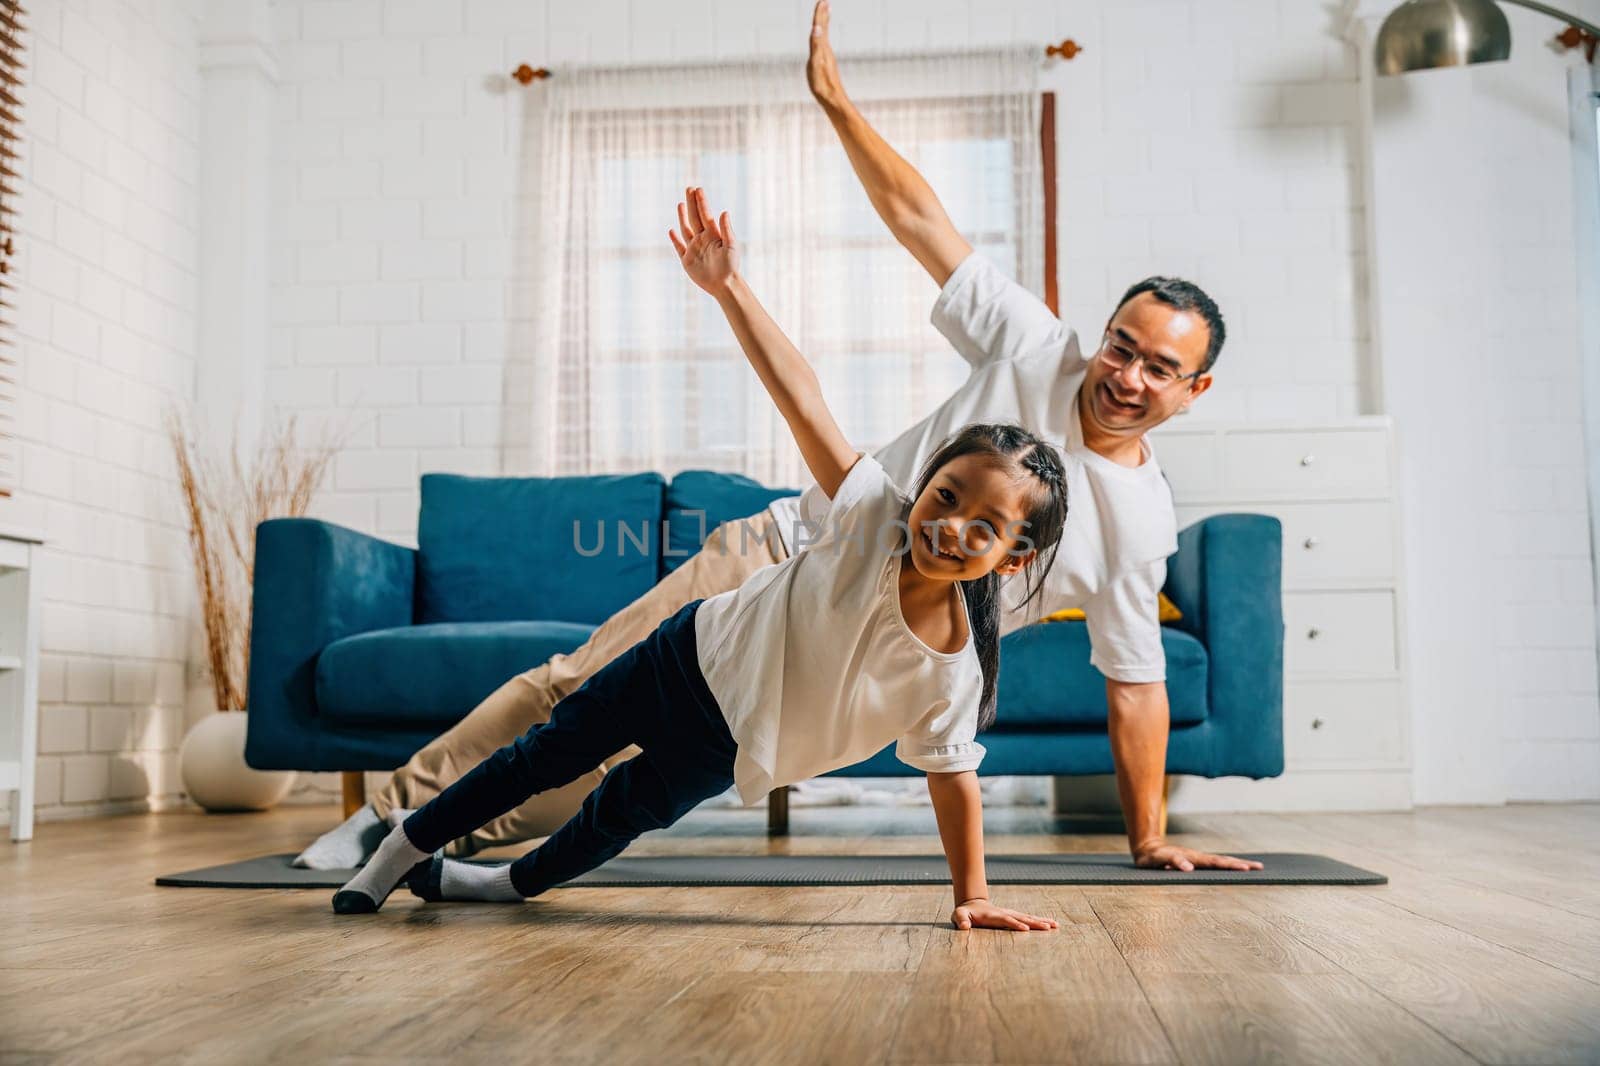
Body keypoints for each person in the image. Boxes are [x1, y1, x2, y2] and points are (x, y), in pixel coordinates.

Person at [295, 0, 1261, 876]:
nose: (1127, 377)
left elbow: (1137, 683)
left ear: (1193, 390)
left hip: (848, 662)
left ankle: (435, 843)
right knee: (577, 683)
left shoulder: (1139, 525)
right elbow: (922, 220)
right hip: (785, 555)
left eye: (1159, 369)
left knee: (624, 764)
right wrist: (838, 105)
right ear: (1102, 339)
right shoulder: (1036, 345)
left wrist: (1148, 837)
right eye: (1121, 347)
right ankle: (389, 817)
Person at [332, 191, 1066, 934]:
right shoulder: (873, 511)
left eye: (985, 528)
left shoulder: (953, 669)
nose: (949, 526)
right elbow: (801, 398)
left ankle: (505, 885)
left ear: (1012, 559)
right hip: (683, 657)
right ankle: (401, 843)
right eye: (944, 496)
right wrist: (728, 289)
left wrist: (970, 893)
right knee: (544, 756)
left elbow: (954, 779)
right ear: (923, 484)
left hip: (735, 738)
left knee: (614, 818)